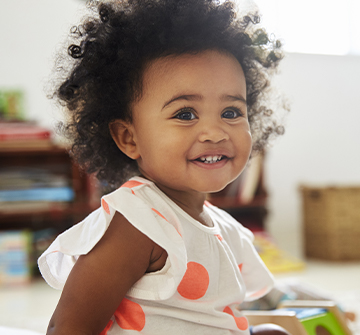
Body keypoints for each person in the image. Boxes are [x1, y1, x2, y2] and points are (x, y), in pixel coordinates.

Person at [38, 0, 289, 334]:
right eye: (185, 114)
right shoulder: (137, 223)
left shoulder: (224, 228)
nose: (215, 132)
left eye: (231, 112)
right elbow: (69, 328)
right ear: (129, 137)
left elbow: (213, 317)